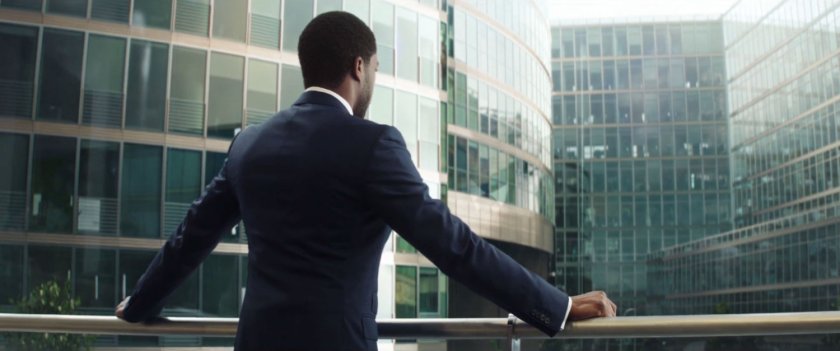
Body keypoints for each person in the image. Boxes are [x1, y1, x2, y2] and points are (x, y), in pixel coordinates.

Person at [115, 11, 616, 351]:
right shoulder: (373, 145)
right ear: (358, 67)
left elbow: (191, 238)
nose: (373, 77)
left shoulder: (250, 143)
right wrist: (558, 304)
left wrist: (138, 305)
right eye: (374, 68)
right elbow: (453, 245)